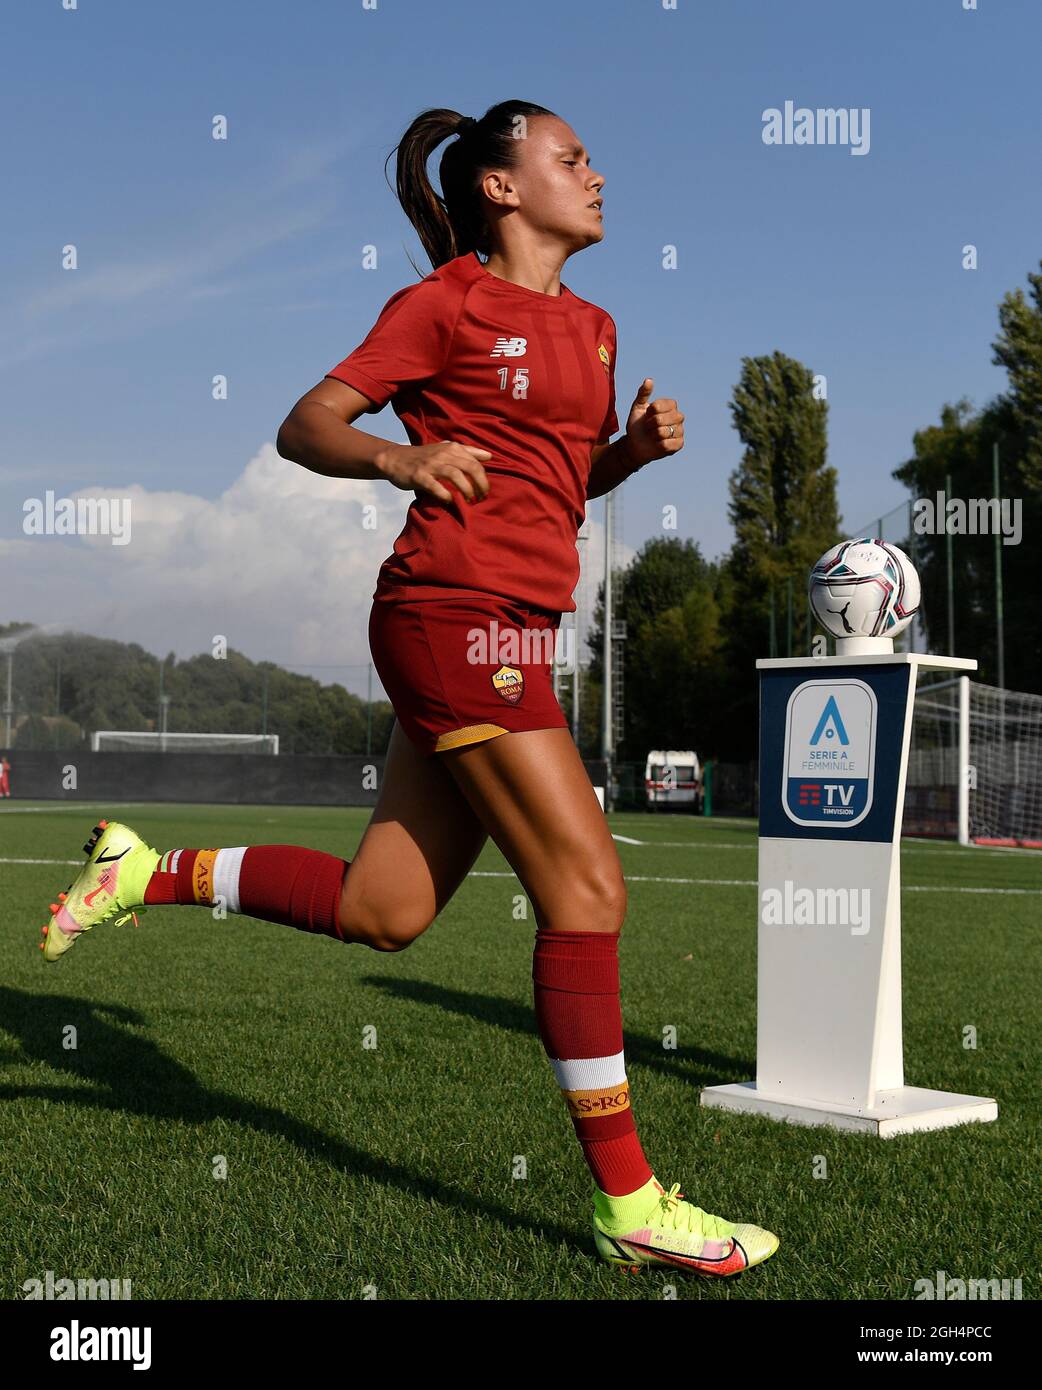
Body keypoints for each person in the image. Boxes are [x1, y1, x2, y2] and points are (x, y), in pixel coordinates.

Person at [38, 101, 778, 1278]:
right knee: (587, 884)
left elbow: (546, 480)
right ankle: (631, 1205)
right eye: (572, 157)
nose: (597, 173)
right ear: (500, 186)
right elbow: (306, 423)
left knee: (384, 910)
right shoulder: (444, 304)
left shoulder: (594, 329)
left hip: (515, 628)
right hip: (450, 615)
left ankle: (143, 869)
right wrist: (398, 455)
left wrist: (623, 456)